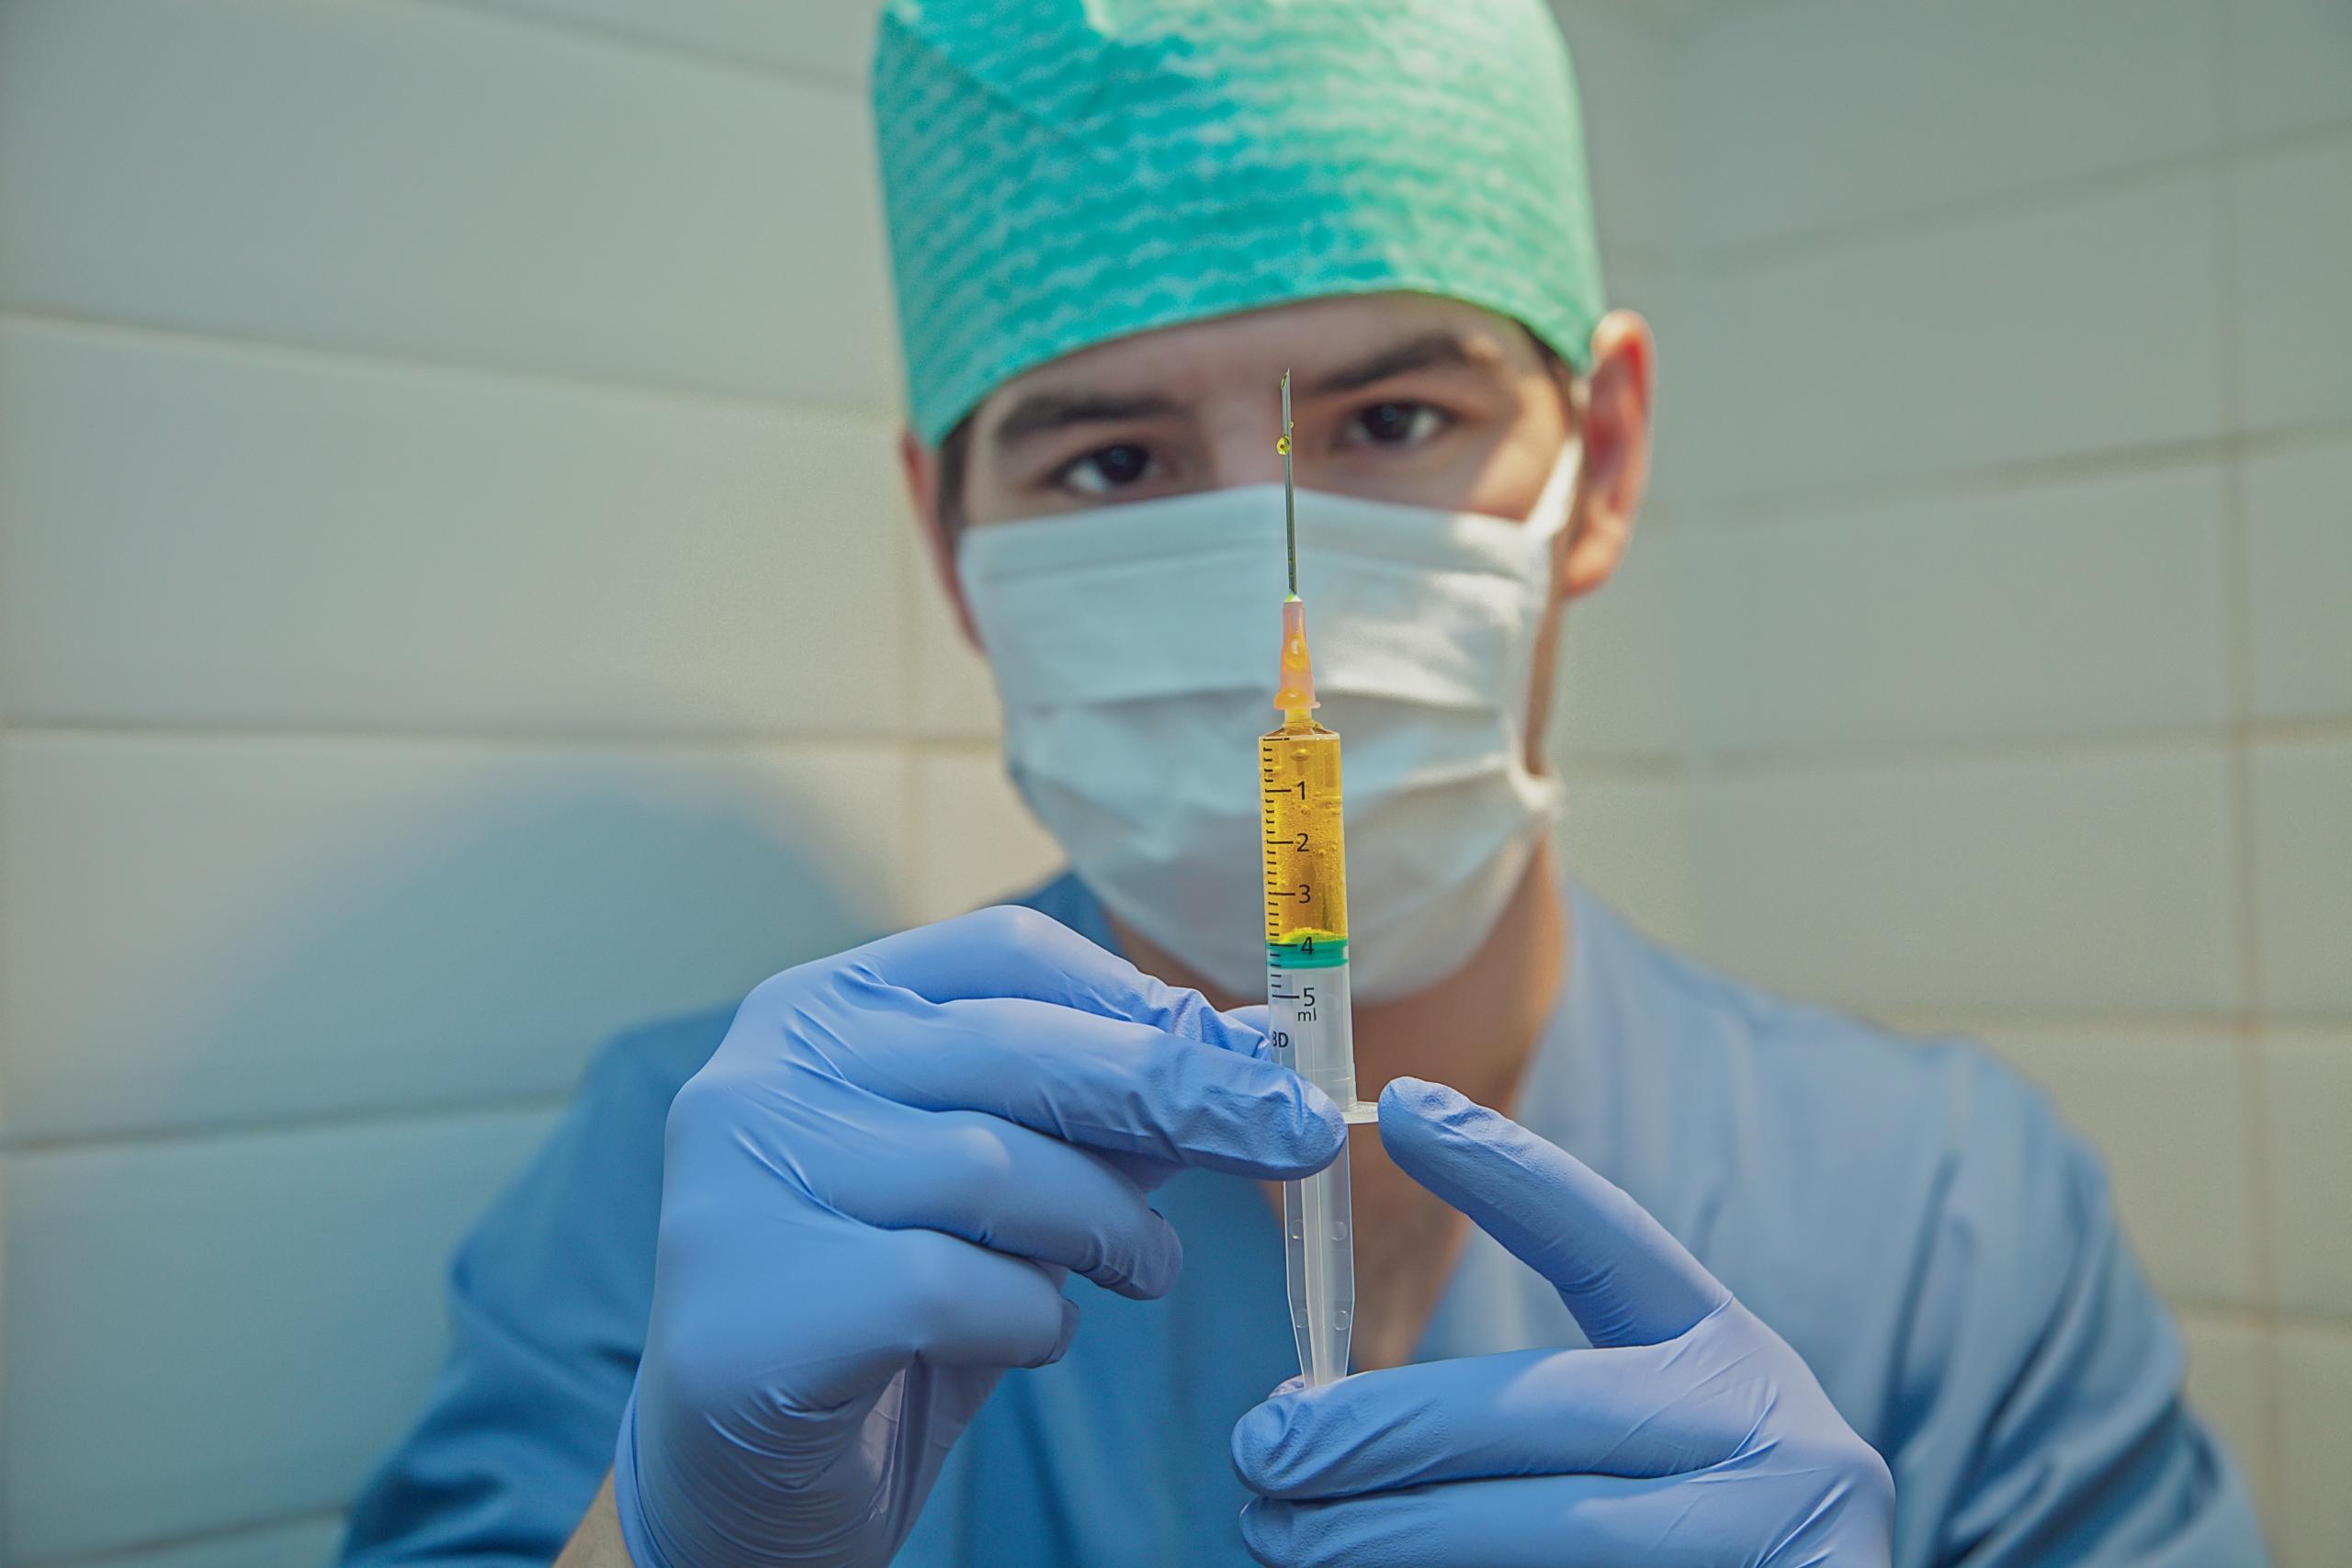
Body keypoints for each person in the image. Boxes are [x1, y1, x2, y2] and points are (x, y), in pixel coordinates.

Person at [341, 3, 2267, 1564]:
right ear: (950, 542)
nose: (1269, 552)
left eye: (1393, 418)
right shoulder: (726, 1178)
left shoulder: (1938, 1210)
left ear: (1595, 457)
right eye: (1109, 462)